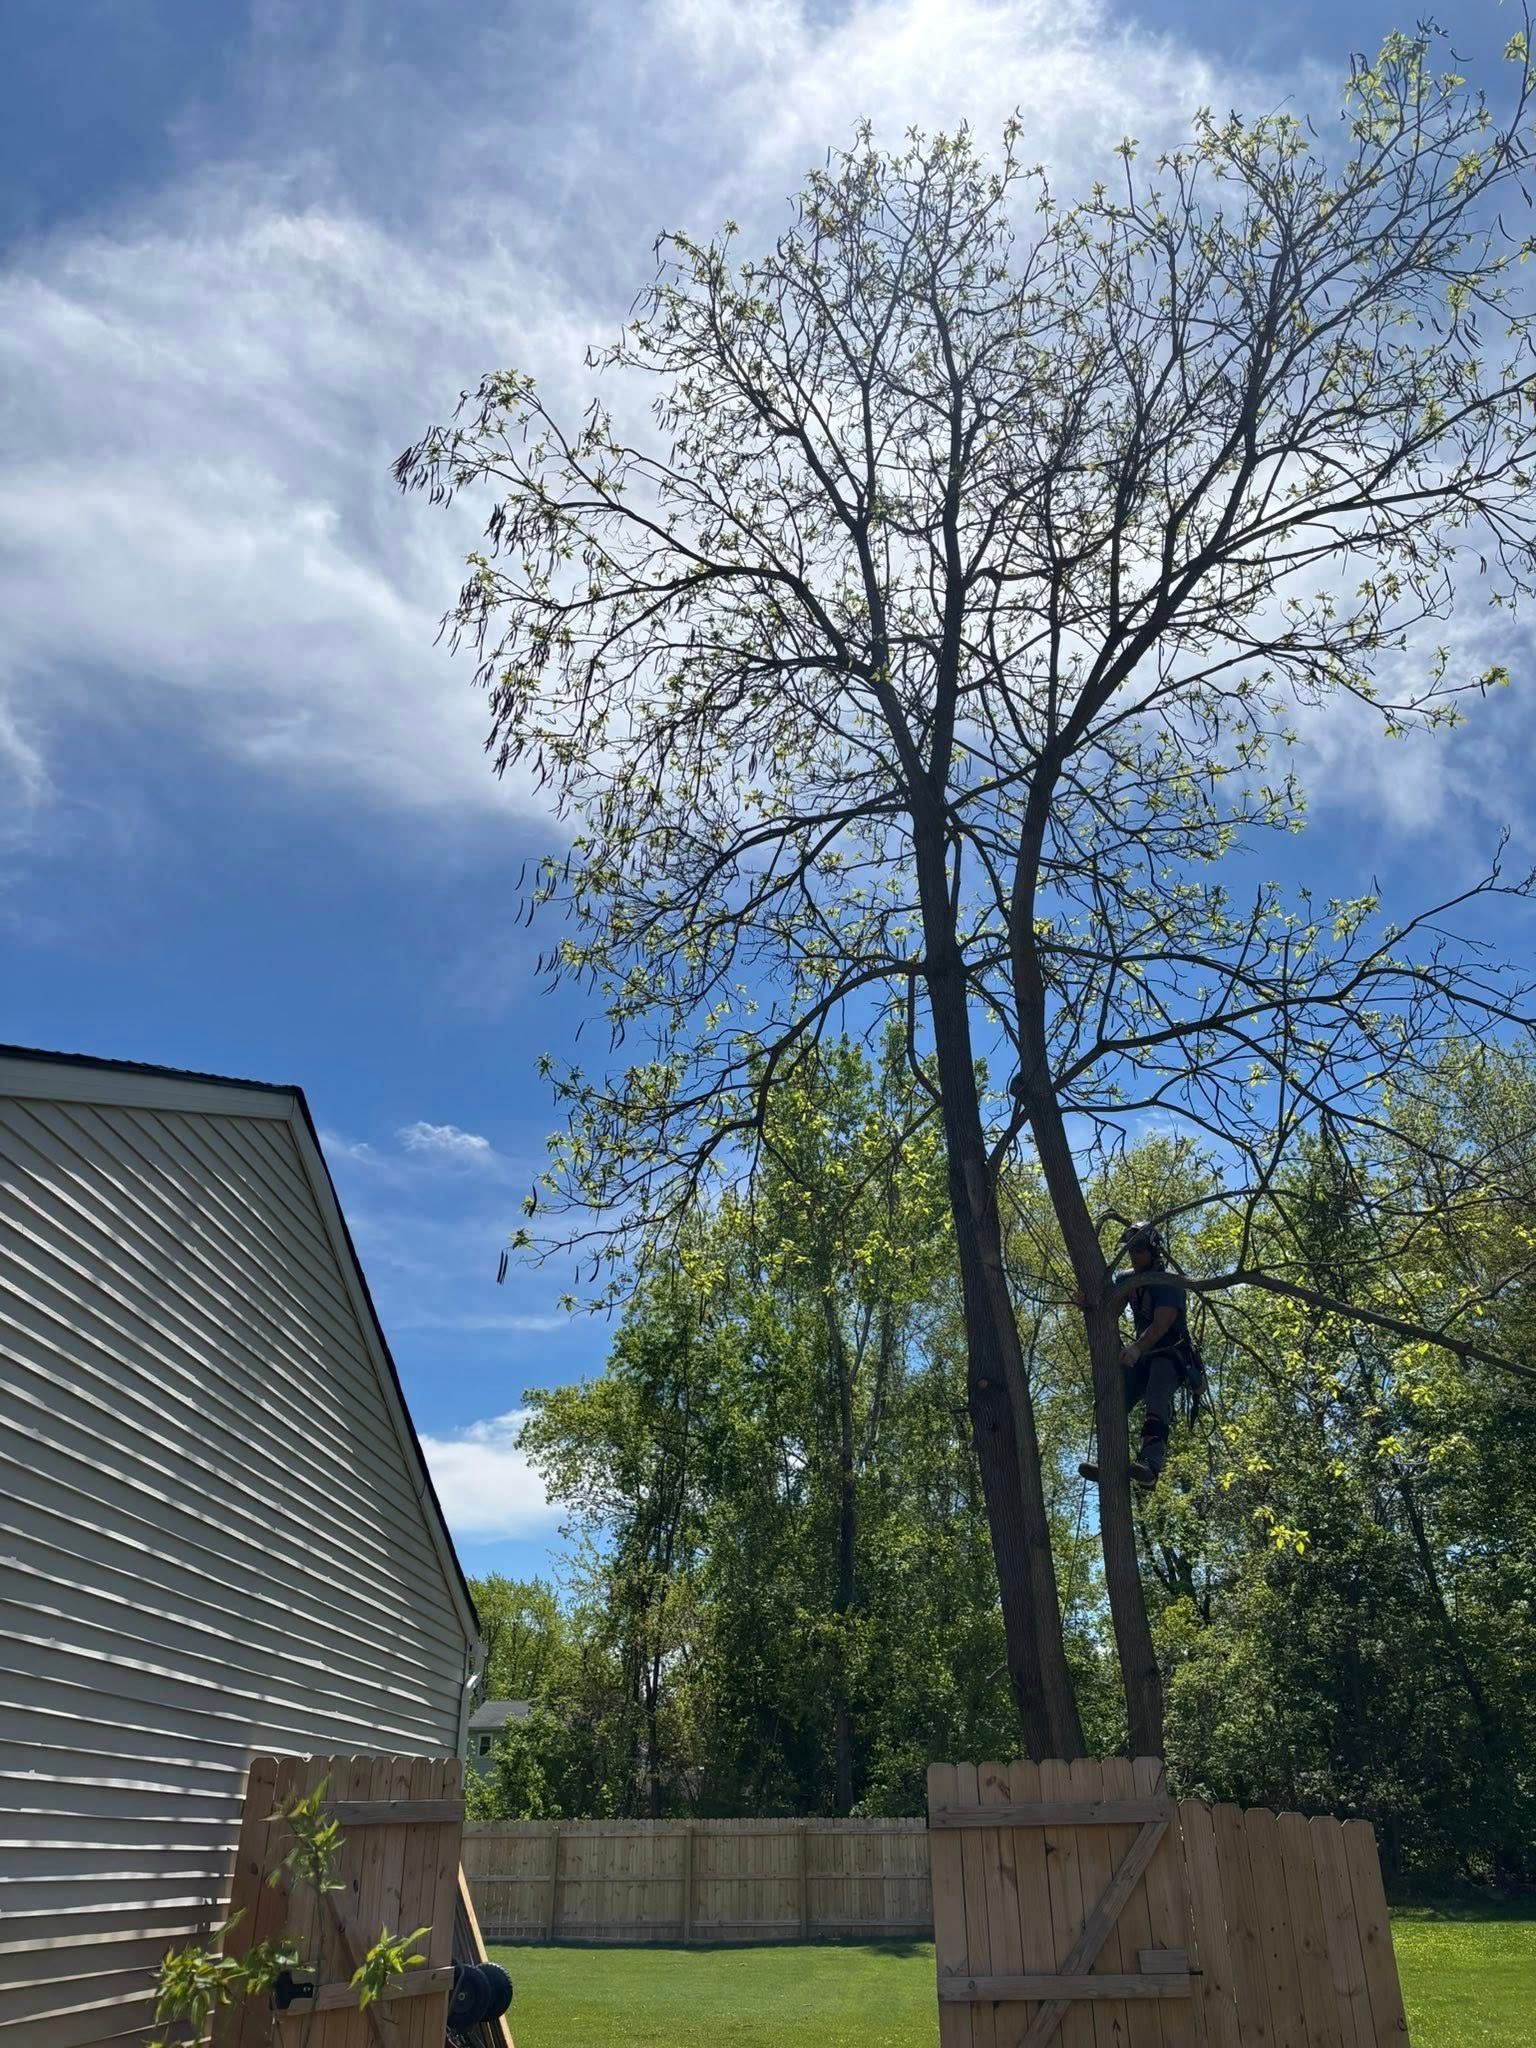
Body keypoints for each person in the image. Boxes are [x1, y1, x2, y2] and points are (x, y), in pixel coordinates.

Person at [1076, 1221, 1195, 1489]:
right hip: (1142, 1354)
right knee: (1114, 1397)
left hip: (1171, 1353)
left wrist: (1136, 1348)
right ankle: (1108, 1461)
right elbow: (1109, 1310)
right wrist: (1088, 1305)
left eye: (1139, 1249)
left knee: (1156, 1394)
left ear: (1154, 1250)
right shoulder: (1126, 1280)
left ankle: (1150, 1465)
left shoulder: (1169, 1281)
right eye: (1130, 1249)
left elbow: (1162, 1322)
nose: (1134, 1254)